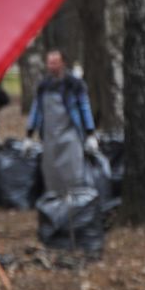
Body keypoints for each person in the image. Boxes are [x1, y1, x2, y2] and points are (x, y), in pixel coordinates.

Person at [27, 50, 96, 197]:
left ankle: (76, 203)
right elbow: (36, 110)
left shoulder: (74, 85)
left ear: (63, 63)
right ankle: (55, 205)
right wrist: (29, 134)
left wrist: (90, 133)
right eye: (49, 63)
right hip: (49, 137)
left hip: (71, 136)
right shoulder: (43, 86)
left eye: (55, 63)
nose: (51, 66)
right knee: (51, 174)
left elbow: (85, 107)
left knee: (73, 172)